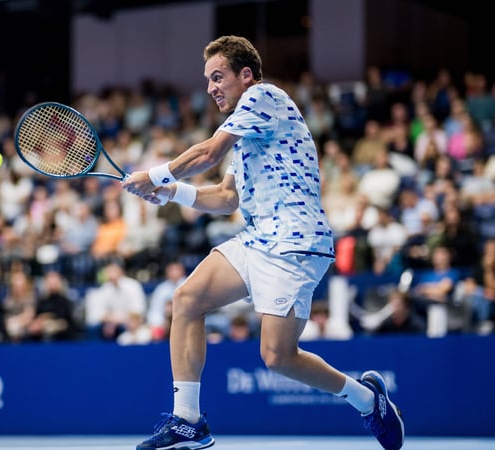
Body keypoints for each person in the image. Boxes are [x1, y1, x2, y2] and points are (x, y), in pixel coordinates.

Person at [122, 36, 404, 450]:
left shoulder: (263, 97)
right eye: (207, 80)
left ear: (245, 75)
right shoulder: (244, 135)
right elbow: (226, 198)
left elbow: (208, 153)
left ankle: (366, 399)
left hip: (295, 241)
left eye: (218, 77)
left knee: (278, 356)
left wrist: (155, 175)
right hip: (257, 238)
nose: (211, 88)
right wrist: (170, 192)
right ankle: (188, 421)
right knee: (187, 299)